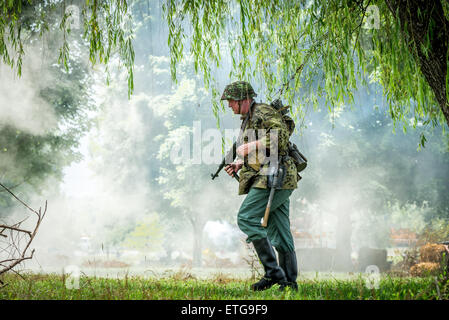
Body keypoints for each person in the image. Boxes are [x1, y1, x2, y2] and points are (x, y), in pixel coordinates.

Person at [221, 81, 299, 291]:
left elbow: (280, 138)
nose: (229, 106)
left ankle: (273, 272)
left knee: (246, 217)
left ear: (244, 100)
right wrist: (239, 163)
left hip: (276, 176)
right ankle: (289, 284)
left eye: (231, 102)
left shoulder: (262, 111)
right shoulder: (248, 118)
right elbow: (263, 152)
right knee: (281, 232)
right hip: (273, 176)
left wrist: (251, 145)